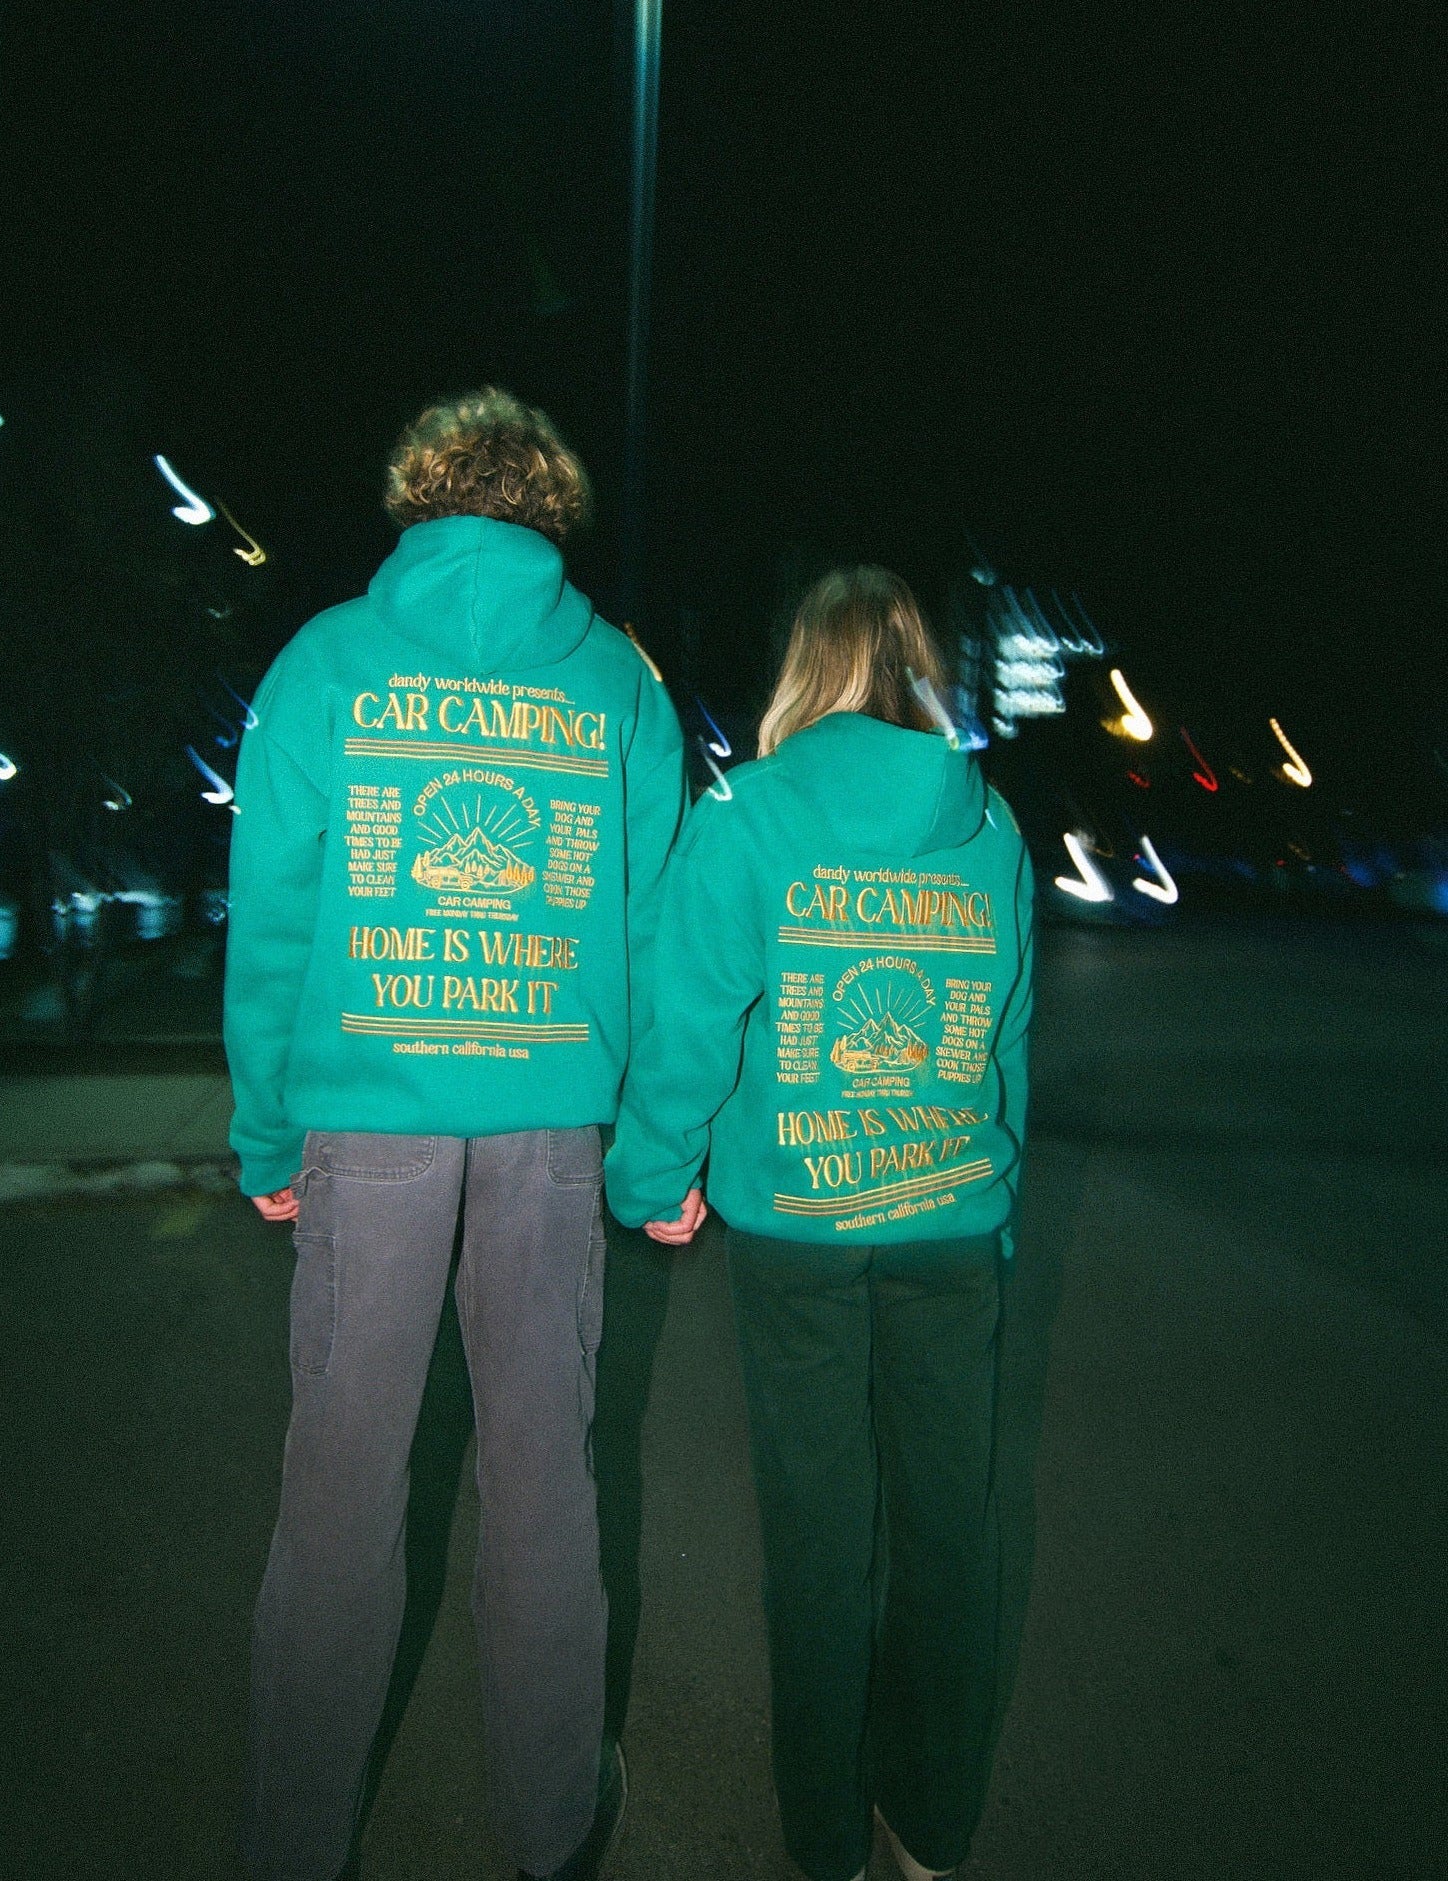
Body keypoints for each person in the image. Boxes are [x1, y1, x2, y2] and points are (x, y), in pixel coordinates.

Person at [224, 388, 686, 1881]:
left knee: (340, 1491)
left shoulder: (327, 662)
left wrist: (266, 1136)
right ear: (552, 510)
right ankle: (553, 1826)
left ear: (416, 497)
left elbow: (274, 917)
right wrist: (650, 1151)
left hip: (367, 1119)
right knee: (545, 1479)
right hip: (551, 1124)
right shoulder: (616, 682)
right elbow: (655, 927)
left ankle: (296, 1839)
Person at [605, 566, 1034, 1881]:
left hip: (797, 1232)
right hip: (950, 1222)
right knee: (951, 1532)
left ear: (806, 665)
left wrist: (651, 1175)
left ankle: (828, 1840)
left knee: (819, 1539)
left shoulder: (750, 814)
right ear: (920, 668)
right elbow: (1007, 1039)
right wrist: (994, 1196)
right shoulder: (990, 827)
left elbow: (689, 1020)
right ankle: (933, 1827)